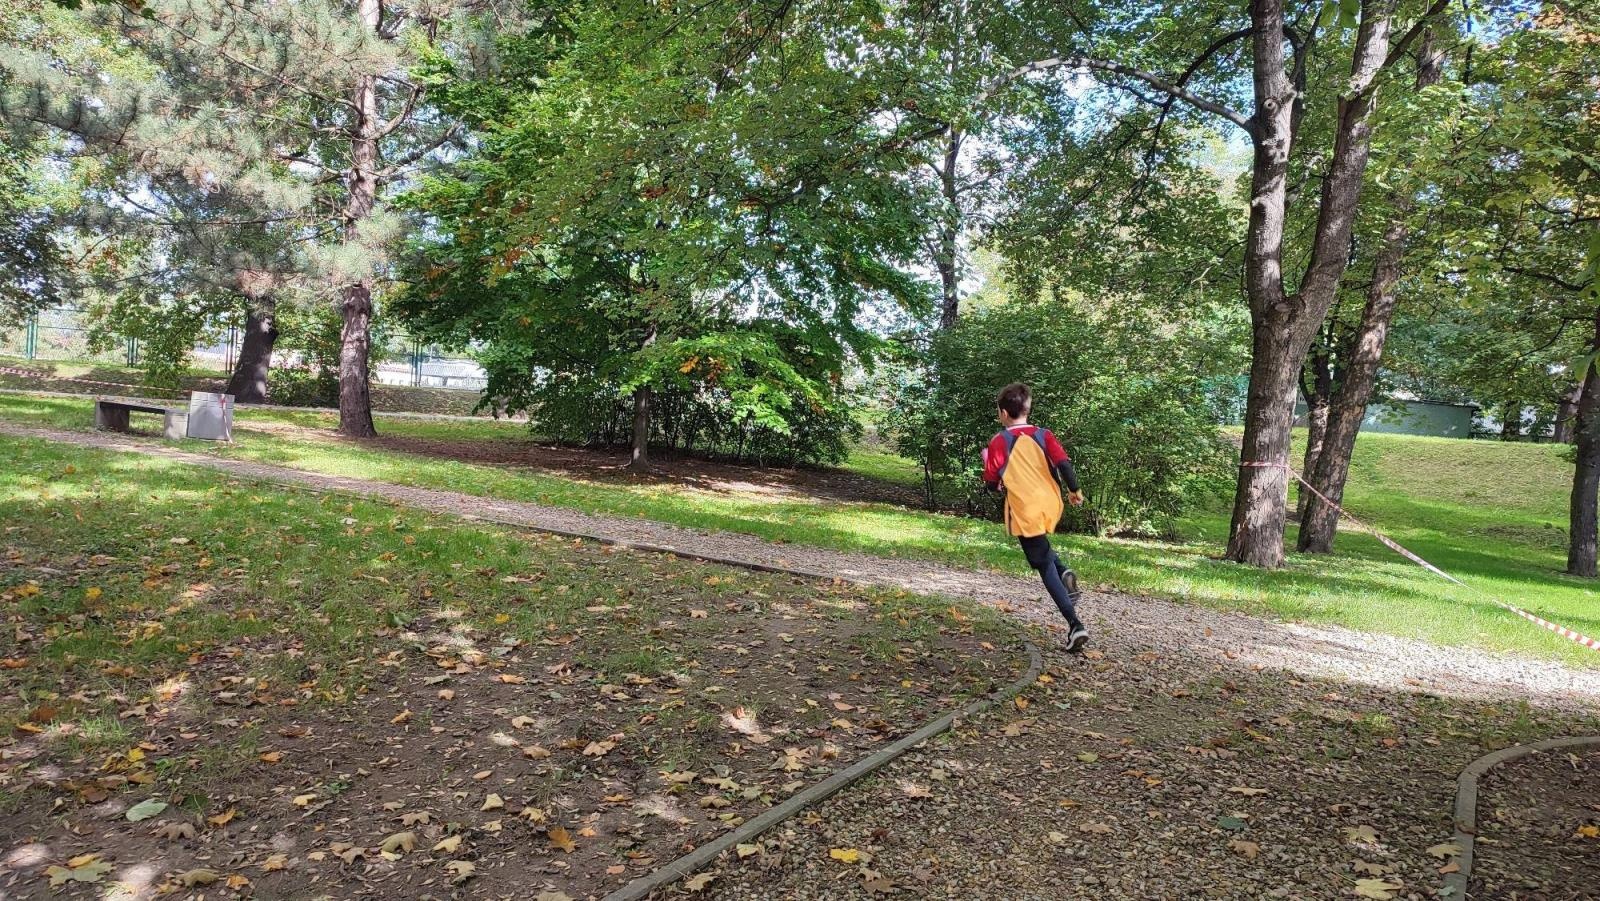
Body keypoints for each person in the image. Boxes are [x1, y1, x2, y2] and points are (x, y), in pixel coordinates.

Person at [982, 382, 1089, 651]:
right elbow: (1064, 464)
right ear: (1027, 410)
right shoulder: (1044, 435)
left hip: (1025, 508)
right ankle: (1063, 570)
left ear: (1003, 413)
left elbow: (992, 484)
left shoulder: (999, 442)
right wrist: (1075, 491)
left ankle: (1075, 624)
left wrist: (992, 470)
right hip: (1050, 502)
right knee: (1041, 547)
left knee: (1042, 563)